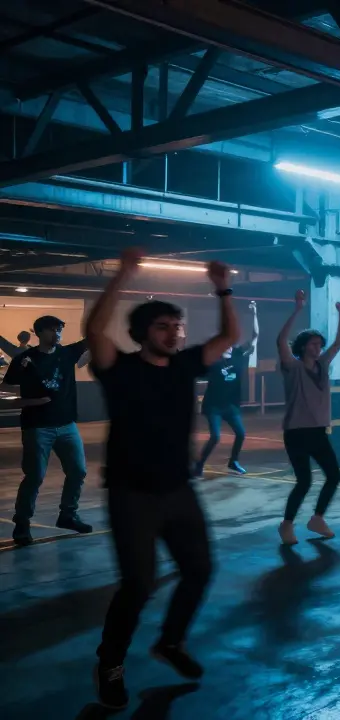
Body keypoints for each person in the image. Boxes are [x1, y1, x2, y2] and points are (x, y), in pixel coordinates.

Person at [86, 249, 238, 709]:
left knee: (200, 569)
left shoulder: (187, 365)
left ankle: (170, 642)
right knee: (138, 584)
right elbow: (94, 330)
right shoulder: (119, 369)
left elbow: (230, 334)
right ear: (141, 334)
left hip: (178, 490)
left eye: (177, 326)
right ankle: (110, 662)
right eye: (162, 326)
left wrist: (222, 287)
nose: (174, 333)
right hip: (133, 494)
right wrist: (122, 274)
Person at [2, 315, 92, 546]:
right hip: (37, 427)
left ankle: (68, 514)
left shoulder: (67, 353)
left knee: (78, 470)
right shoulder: (25, 360)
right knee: (35, 477)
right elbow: (5, 390)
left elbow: (95, 334)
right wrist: (30, 402)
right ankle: (22, 523)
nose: (57, 334)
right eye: (53, 330)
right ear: (39, 332)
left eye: (60, 329)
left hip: (67, 425)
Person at [276, 290, 340, 544]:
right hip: (296, 432)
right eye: (314, 344)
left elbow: (338, 343)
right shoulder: (292, 366)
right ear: (303, 346)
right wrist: (297, 309)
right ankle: (286, 524)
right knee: (303, 481)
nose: (319, 348)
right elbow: (281, 340)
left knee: (334, 476)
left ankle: (317, 518)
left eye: (320, 344)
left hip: (317, 431)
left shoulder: (323, 365)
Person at [195, 300, 258, 477]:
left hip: (231, 405)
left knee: (241, 433)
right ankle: (199, 464)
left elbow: (255, 335)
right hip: (214, 406)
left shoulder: (238, 355)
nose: (229, 346)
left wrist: (254, 313)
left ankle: (233, 461)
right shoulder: (213, 362)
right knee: (215, 437)